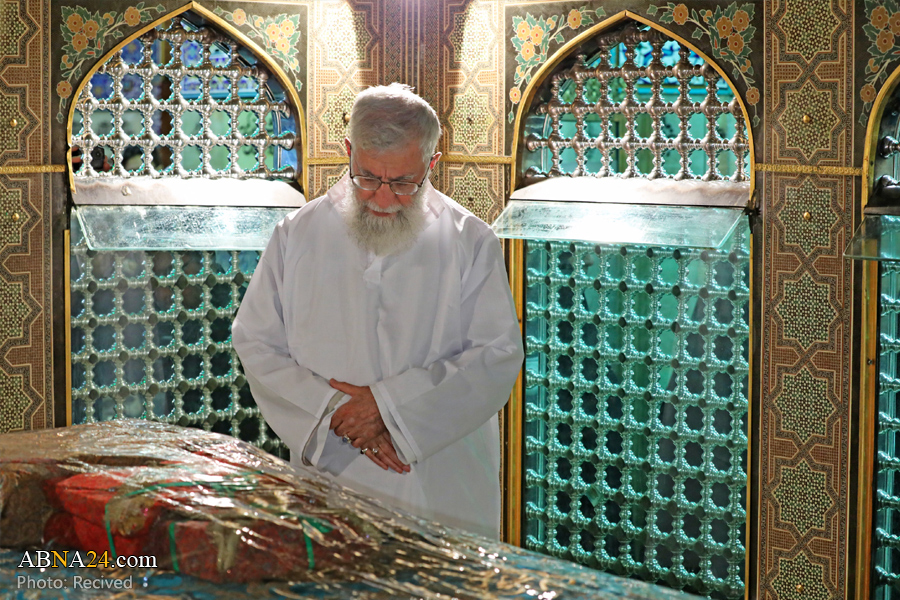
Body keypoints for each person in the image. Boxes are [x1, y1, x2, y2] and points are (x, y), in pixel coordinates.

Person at [232, 83, 523, 538]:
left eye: (404, 182)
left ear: (432, 164)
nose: (383, 199)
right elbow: (255, 341)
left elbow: (496, 355)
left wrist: (391, 411)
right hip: (334, 471)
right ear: (348, 151)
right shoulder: (296, 235)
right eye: (367, 177)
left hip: (440, 478)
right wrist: (339, 415)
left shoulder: (470, 240)